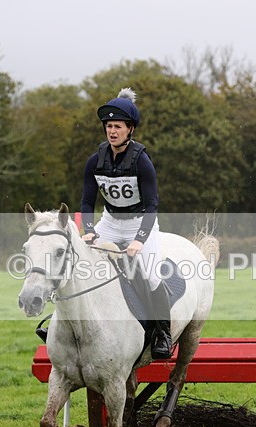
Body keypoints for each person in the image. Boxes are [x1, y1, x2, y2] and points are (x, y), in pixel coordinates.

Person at [80, 88, 172, 359]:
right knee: (81, 262)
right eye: (108, 126)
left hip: (140, 222)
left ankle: (162, 333)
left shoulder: (141, 161)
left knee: (151, 274)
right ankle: (65, 324)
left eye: (117, 126)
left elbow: (153, 204)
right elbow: (87, 202)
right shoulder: (95, 161)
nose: (112, 131)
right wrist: (88, 231)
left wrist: (139, 240)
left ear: (130, 129)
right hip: (109, 221)